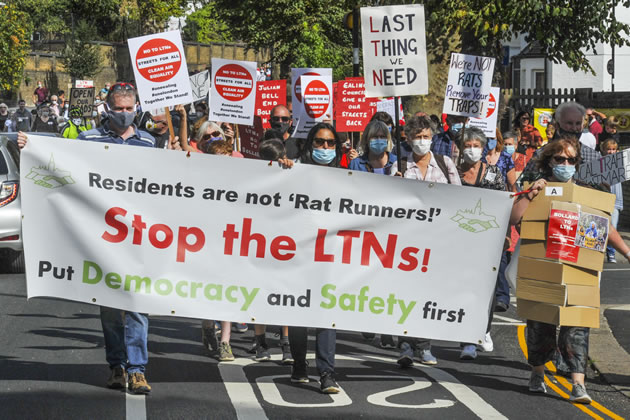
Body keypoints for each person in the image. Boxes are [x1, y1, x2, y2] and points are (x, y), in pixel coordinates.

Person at [17, 82, 185, 394]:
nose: (124, 114)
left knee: (137, 304)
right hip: (103, 240)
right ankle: (117, 366)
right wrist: (31, 146)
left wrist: (179, 157)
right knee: (109, 308)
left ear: (136, 108)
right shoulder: (88, 139)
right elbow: (62, 164)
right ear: (107, 109)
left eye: (128, 109)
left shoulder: (148, 142)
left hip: (138, 239)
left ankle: (137, 369)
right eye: (118, 109)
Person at [509, 135, 630, 404]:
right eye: (560, 159)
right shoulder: (536, 188)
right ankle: (537, 374)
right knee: (540, 324)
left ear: (577, 163)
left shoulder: (585, 190)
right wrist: (530, 193)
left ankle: (578, 383)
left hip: (577, 268)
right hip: (542, 267)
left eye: (571, 160)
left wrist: (627, 251)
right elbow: (515, 218)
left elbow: (605, 226)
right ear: (549, 162)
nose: (565, 164)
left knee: (577, 325)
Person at [393, 115, 461, 368]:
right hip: (406, 242)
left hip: (437, 241)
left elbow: (459, 198)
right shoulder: (399, 166)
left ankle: (425, 345)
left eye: (426, 137)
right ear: (408, 140)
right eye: (417, 137)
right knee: (406, 293)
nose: (422, 141)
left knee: (429, 293)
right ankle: (406, 345)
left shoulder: (444, 164)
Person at [290, 122, 341, 394]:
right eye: (320, 142)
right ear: (311, 144)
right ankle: (299, 363)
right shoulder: (297, 171)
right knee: (299, 311)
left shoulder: (347, 176)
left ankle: (327, 373)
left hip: (331, 256)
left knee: (326, 314)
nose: (325, 147)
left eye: (330, 143)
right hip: (300, 252)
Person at [457, 127, 506, 360]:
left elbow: (502, 204)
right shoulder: (453, 172)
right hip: (459, 241)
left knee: (487, 290)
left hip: (488, 240)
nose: (472, 150)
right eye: (468, 145)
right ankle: (467, 338)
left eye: (476, 145)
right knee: (464, 288)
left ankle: (483, 330)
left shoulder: (493, 174)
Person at [520, 102, 601, 186]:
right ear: (557, 125)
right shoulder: (541, 154)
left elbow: (604, 192)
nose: (574, 128)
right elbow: (523, 185)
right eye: (569, 123)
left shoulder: (594, 157)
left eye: (578, 124)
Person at [600, 138, 623, 262]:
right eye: (608, 149)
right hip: (603, 199)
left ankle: (611, 253)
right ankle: (600, 252)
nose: (611, 152)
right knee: (602, 226)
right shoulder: (600, 163)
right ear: (603, 150)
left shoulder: (620, 164)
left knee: (613, 226)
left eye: (613, 149)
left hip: (615, 201)